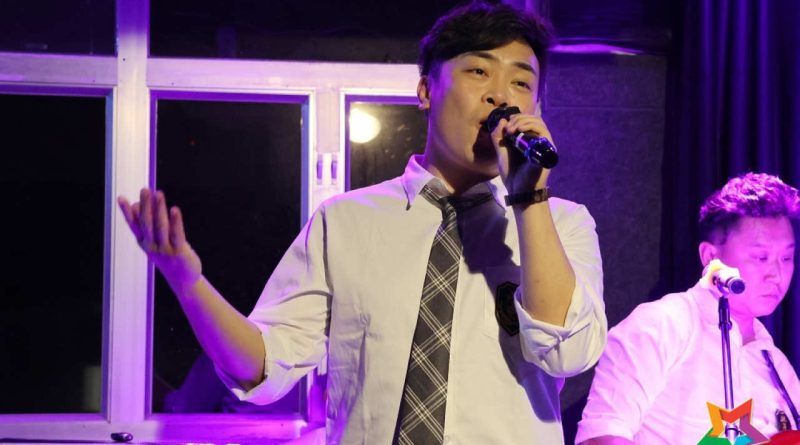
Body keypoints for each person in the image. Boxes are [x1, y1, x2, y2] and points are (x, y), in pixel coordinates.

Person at [118, 2, 606, 443]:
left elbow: (571, 352)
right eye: (478, 71)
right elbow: (261, 366)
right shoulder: (346, 222)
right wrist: (188, 284)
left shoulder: (563, 224)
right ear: (426, 90)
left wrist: (527, 198)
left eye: (521, 83)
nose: (500, 96)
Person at [576, 172, 800, 444]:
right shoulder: (661, 324)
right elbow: (602, 436)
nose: (776, 274)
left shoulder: (777, 365)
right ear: (710, 256)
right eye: (761, 257)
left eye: (786, 257)